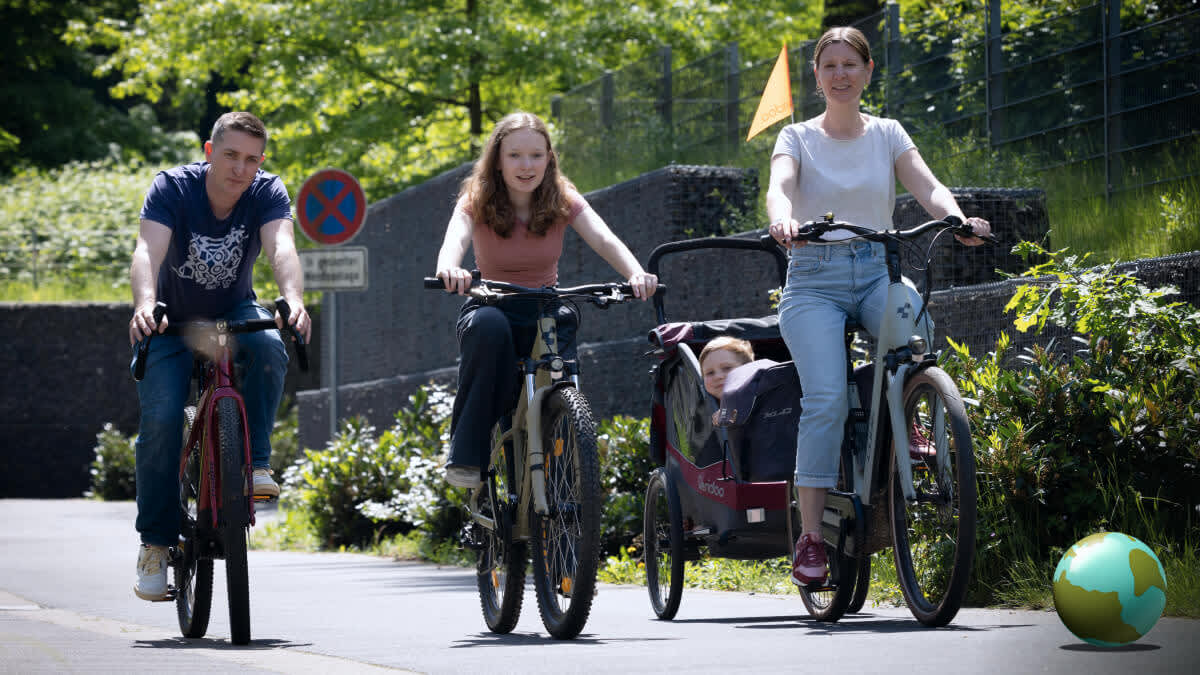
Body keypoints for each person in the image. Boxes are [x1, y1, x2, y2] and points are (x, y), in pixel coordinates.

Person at [765, 27, 991, 587]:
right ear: (816, 77)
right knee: (825, 399)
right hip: (812, 277)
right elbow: (780, 185)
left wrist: (956, 217)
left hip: (876, 268)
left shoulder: (888, 133)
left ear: (868, 73)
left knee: (912, 329)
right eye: (829, 66)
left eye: (851, 65)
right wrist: (783, 217)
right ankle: (812, 536)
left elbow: (927, 185)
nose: (840, 74)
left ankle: (912, 412)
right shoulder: (797, 136)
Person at [128, 111, 311, 601]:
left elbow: (282, 246)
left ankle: (254, 465)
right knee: (163, 418)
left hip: (232, 313)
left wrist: (293, 298)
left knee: (271, 344)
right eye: (230, 155)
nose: (240, 168)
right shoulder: (173, 187)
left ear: (261, 163)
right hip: (172, 321)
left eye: (251, 159)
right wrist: (145, 305)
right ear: (210, 151)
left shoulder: (267, 190)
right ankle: (156, 543)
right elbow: (148, 250)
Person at [435, 111, 658, 489]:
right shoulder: (476, 199)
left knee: (564, 326)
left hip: (544, 306)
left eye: (536, 155)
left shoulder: (562, 197)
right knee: (487, 328)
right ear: (498, 159)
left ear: (549, 158)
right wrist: (449, 268)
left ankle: (563, 470)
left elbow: (603, 238)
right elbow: (454, 239)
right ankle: (467, 457)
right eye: (515, 156)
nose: (527, 166)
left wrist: (635, 272)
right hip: (492, 305)